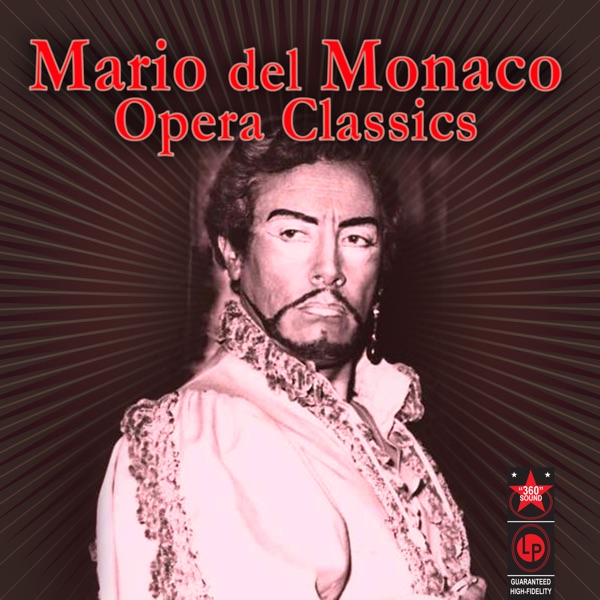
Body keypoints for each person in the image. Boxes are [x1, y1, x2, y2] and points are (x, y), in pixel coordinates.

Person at [95, 123, 486, 599]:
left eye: (357, 238)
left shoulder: (385, 418)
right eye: (292, 232)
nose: (329, 270)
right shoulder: (215, 430)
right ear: (233, 253)